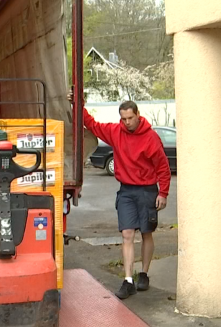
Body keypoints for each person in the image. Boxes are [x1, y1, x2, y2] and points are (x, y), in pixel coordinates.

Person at [70, 91, 170, 300]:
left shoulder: (151, 138)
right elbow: (92, 124)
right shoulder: (117, 132)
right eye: (123, 119)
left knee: (146, 233)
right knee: (126, 234)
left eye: (130, 118)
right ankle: (128, 280)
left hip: (147, 190)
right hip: (126, 191)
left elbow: (163, 167)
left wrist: (163, 193)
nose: (127, 123)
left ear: (138, 115)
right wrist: (78, 104)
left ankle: (144, 273)